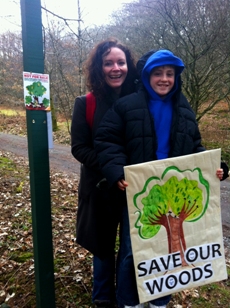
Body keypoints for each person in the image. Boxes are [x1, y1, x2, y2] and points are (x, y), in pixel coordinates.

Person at [94, 49, 227, 308]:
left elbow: (195, 146)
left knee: (170, 251)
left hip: (173, 195)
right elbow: (106, 141)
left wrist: (214, 165)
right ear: (146, 76)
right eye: (158, 73)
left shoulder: (185, 109)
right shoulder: (126, 105)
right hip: (138, 193)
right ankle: (128, 302)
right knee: (134, 253)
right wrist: (117, 172)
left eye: (170, 74)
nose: (164, 79)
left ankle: (159, 301)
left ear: (176, 78)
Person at [71, 38, 138, 308]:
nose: (116, 68)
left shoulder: (139, 102)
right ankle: (102, 298)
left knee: (130, 248)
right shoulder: (85, 103)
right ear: (98, 68)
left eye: (121, 62)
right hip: (99, 189)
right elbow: (79, 148)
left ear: (128, 66)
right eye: (108, 63)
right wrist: (112, 170)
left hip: (134, 188)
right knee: (102, 246)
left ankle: (125, 297)